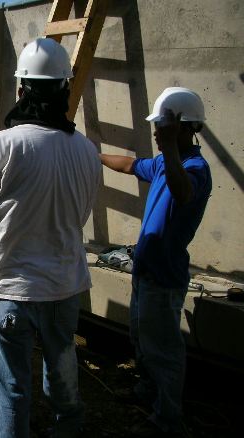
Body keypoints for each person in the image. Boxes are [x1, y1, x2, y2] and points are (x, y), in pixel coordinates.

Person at [0, 38, 101, 438]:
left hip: (10, 293)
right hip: (64, 289)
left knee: (12, 394)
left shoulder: (2, 146)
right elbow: (77, 216)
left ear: (20, 90)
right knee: (64, 388)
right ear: (65, 90)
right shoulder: (86, 151)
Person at [100, 87, 212, 436]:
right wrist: (93, 154)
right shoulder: (165, 162)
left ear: (183, 126)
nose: (155, 132)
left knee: (163, 350)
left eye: (161, 125)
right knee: (141, 338)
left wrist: (167, 149)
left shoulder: (195, 168)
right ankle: (146, 392)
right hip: (145, 272)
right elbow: (132, 165)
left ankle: (166, 418)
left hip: (164, 277)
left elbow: (183, 192)